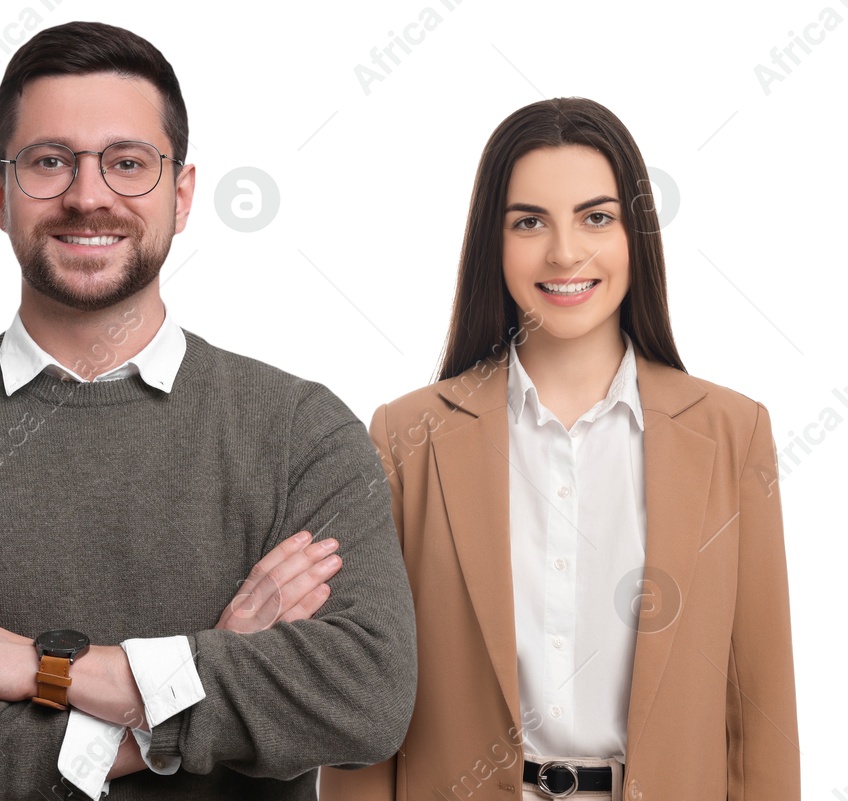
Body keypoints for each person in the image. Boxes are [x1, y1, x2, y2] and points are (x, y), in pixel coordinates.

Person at [0, 21, 416, 801]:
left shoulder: (301, 431)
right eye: (49, 162)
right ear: (0, 194)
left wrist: (37, 665)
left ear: (183, 192)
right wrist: (192, 684)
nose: (88, 195)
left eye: (127, 164)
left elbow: (364, 696)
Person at [320, 98, 800, 800]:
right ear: (494, 239)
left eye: (596, 217)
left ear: (635, 233)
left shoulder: (732, 433)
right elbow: (366, 705)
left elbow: (760, 713)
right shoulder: (407, 437)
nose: (565, 251)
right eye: (529, 222)